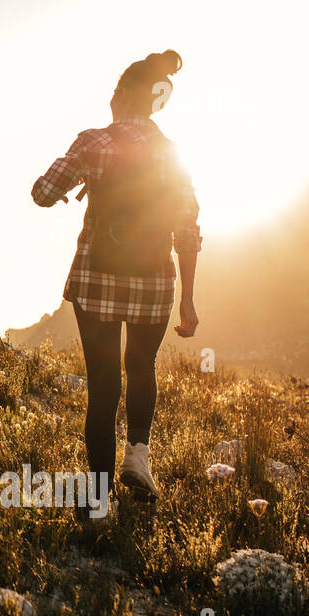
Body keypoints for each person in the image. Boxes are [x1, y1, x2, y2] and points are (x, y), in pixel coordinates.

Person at [31, 49, 201, 510]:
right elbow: (188, 230)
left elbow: (43, 193)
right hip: (155, 285)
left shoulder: (93, 141)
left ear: (125, 96)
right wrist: (188, 300)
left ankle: (99, 500)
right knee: (141, 367)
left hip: (97, 281)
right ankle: (139, 457)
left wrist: (73, 188)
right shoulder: (172, 154)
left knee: (103, 386)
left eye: (113, 92)